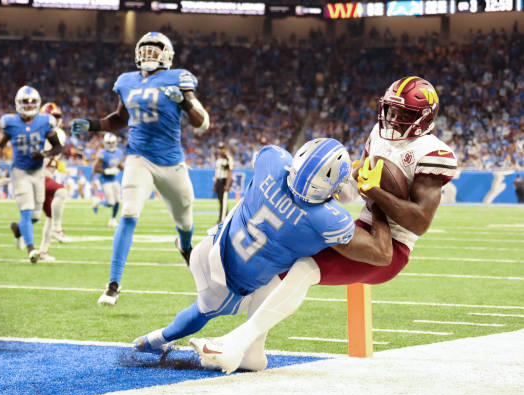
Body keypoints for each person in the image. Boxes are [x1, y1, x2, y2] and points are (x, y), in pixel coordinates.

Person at [190, 76, 459, 374]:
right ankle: (253, 354)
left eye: (403, 114)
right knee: (282, 259)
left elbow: (420, 222)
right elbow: (362, 183)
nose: (393, 119)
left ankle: (237, 342)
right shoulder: (378, 134)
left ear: (424, 118)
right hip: (364, 223)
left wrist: (376, 194)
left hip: (391, 247)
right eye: (390, 111)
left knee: (305, 268)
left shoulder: (433, 153)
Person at [132, 138, 394, 372]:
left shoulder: (273, 160)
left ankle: (250, 355)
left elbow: (274, 167)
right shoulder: (327, 220)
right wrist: (374, 196)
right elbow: (379, 251)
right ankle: (154, 340)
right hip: (232, 280)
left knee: (267, 293)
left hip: (214, 244)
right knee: (202, 310)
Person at [71, 32, 210, 305]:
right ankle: (113, 284)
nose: (148, 53)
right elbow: (120, 119)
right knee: (130, 212)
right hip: (138, 157)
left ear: (167, 54)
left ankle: (184, 245)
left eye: (155, 49)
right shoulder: (126, 81)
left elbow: (201, 123)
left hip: (171, 162)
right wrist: (94, 125)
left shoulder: (179, 77)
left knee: (185, 220)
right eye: (144, 48)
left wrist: (183, 102)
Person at [0, 86, 62, 263]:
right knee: (27, 210)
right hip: (20, 171)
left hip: (38, 172)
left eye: (32, 102)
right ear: (18, 104)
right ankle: (31, 250)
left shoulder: (45, 122)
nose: (29, 105)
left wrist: (44, 154)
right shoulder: (11, 122)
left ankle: (18, 230)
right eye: (25, 102)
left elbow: (58, 146)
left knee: (36, 216)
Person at [9, 102, 70, 261]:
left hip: (46, 174)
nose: (55, 119)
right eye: (52, 116)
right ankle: (57, 230)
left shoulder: (56, 133)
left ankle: (25, 235)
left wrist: (56, 164)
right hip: (36, 175)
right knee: (61, 192)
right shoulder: (41, 130)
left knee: (38, 217)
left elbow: (53, 152)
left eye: (57, 116)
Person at [92, 132, 124, 227]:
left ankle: (113, 219)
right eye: (109, 143)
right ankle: (98, 202)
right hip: (105, 180)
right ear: (105, 143)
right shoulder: (102, 154)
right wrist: (107, 171)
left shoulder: (118, 152)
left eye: (113, 142)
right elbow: (95, 169)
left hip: (114, 179)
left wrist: (123, 169)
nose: (111, 144)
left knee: (118, 201)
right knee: (110, 203)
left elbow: (118, 164)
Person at [213, 142, 233, 223]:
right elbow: (217, 173)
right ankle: (227, 218)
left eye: (222, 148)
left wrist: (228, 184)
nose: (221, 150)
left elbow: (230, 172)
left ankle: (221, 220)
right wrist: (215, 185)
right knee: (221, 201)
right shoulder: (218, 159)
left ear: (225, 149)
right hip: (219, 182)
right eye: (220, 148)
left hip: (224, 181)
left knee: (224, 202)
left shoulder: (228, 158)